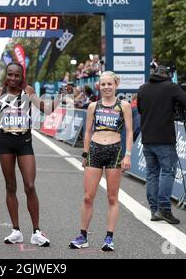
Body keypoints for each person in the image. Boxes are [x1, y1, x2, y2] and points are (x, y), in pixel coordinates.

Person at [0, 62, 70, 247]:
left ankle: (36, 231)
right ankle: (16, 231)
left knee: (29, 185)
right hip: (5, 141)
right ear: (6, 75)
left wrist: (62, 95)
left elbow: (47, 108)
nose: (13, 78)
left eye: (16, 75)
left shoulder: (27, 91)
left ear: (22, 76)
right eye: (10, 74)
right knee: (10, 186)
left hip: (24, 141)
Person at [69, 71, 133, 252]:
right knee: (88, 197)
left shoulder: (124, 106)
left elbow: (129, 131)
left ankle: (109, 238)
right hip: (95, 151)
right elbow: (87, 132)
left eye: (109, 84)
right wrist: (85, 153)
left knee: (112, 197)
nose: (106, 87)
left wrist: (127, 154)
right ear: (99, 86)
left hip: (115, 151)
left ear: (116, 85)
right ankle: (83, 235)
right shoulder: (93, 106)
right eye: (103, 84)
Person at [137, 65, 186, 224]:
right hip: (164, 139)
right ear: (167, 75)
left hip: (147, 138)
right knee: (167, 172)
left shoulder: (143, 88)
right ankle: (164, 209)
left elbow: (141, 110)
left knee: (152, 174)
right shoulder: (171, 87)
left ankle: (154, 210)